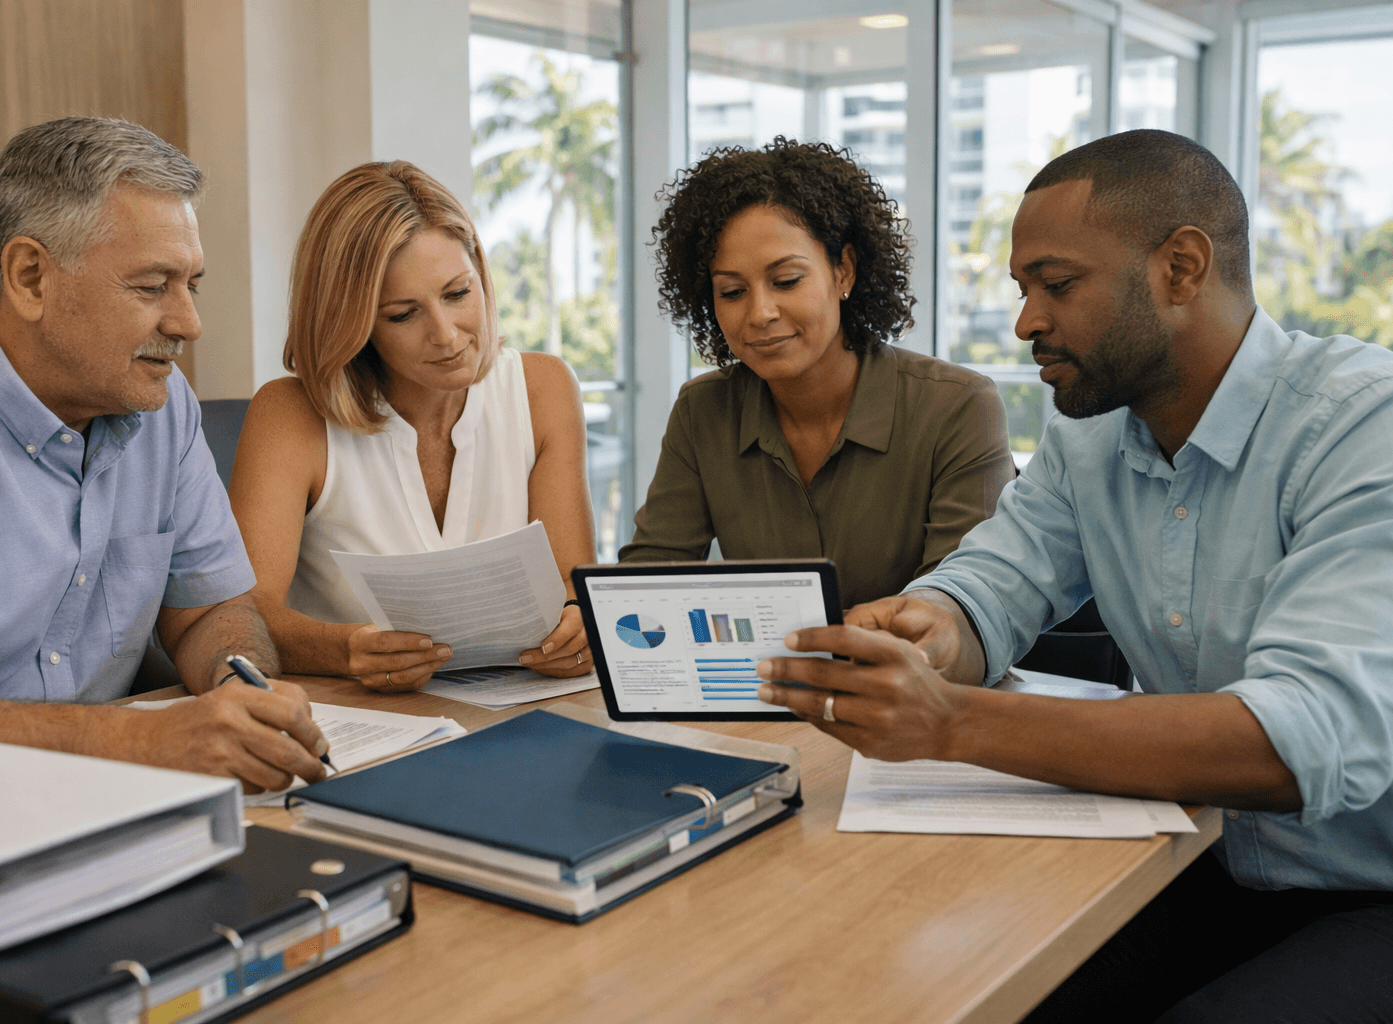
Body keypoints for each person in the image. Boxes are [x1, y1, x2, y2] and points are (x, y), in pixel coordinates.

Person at [755, 130, 1393, 1022]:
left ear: (1180, 268)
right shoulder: (1089, 439)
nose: (1025, 322)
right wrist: (934, 626)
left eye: (1056, 285)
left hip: (1369, 885)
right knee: (958, 986)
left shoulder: (1363, 427)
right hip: (1200, 857)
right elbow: (993, 585)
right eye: (1024, 291)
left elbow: (1297, 740)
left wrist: (949, 720)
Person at [0, 117, 329, 795]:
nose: (188, 324)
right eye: (150, 286)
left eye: (191, 284)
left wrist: (240, 688)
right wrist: (142, 741)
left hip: (108, 804)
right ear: (29, 277)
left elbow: (206, 612)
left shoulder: (162, 408)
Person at [228, 161, 596, 692]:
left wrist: (578, 628)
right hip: (360, 717)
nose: (446, 336)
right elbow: (246, 614)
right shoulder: (289, 415)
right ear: (351, 324)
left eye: (457, 294)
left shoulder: (544, 388)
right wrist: (346, 652)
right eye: (403, 314)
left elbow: (570, 588)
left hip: (518, 708)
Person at [619, 139, 1015, 610]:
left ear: (843, 272)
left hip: (912, 681)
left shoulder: (959, 406)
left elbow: (956, 605)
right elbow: (649, 582)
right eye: (731, 291)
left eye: (786, 281)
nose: (760, 312)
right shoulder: (702, 410)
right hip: (766, 681)